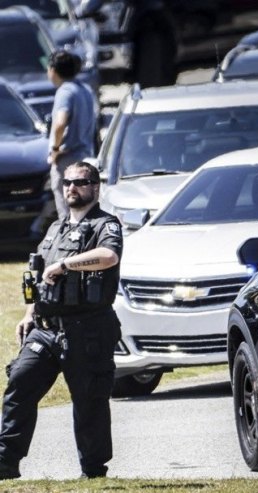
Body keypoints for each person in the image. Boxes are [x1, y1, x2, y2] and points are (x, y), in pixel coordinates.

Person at [0, 161, 122, 480]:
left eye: (80, 182)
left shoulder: (105, 225)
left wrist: (67, 264)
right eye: (67, 182)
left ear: (95, 187)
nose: (72, 187)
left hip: (88, 328)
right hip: (46, 330)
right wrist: (29, 314)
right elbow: (38, 275)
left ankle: (93, 471)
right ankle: (5, 462)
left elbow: (109, 257)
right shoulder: (56, 228)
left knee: (88, 400)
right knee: (20, 385)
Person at [47, 50, 96, 221]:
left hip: (67, 159)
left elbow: (60, 123)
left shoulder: (65, 91)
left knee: (68, 214)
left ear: (53, 70)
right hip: (85, 157)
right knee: (84, 211)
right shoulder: (85, 89)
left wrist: (54, 149)